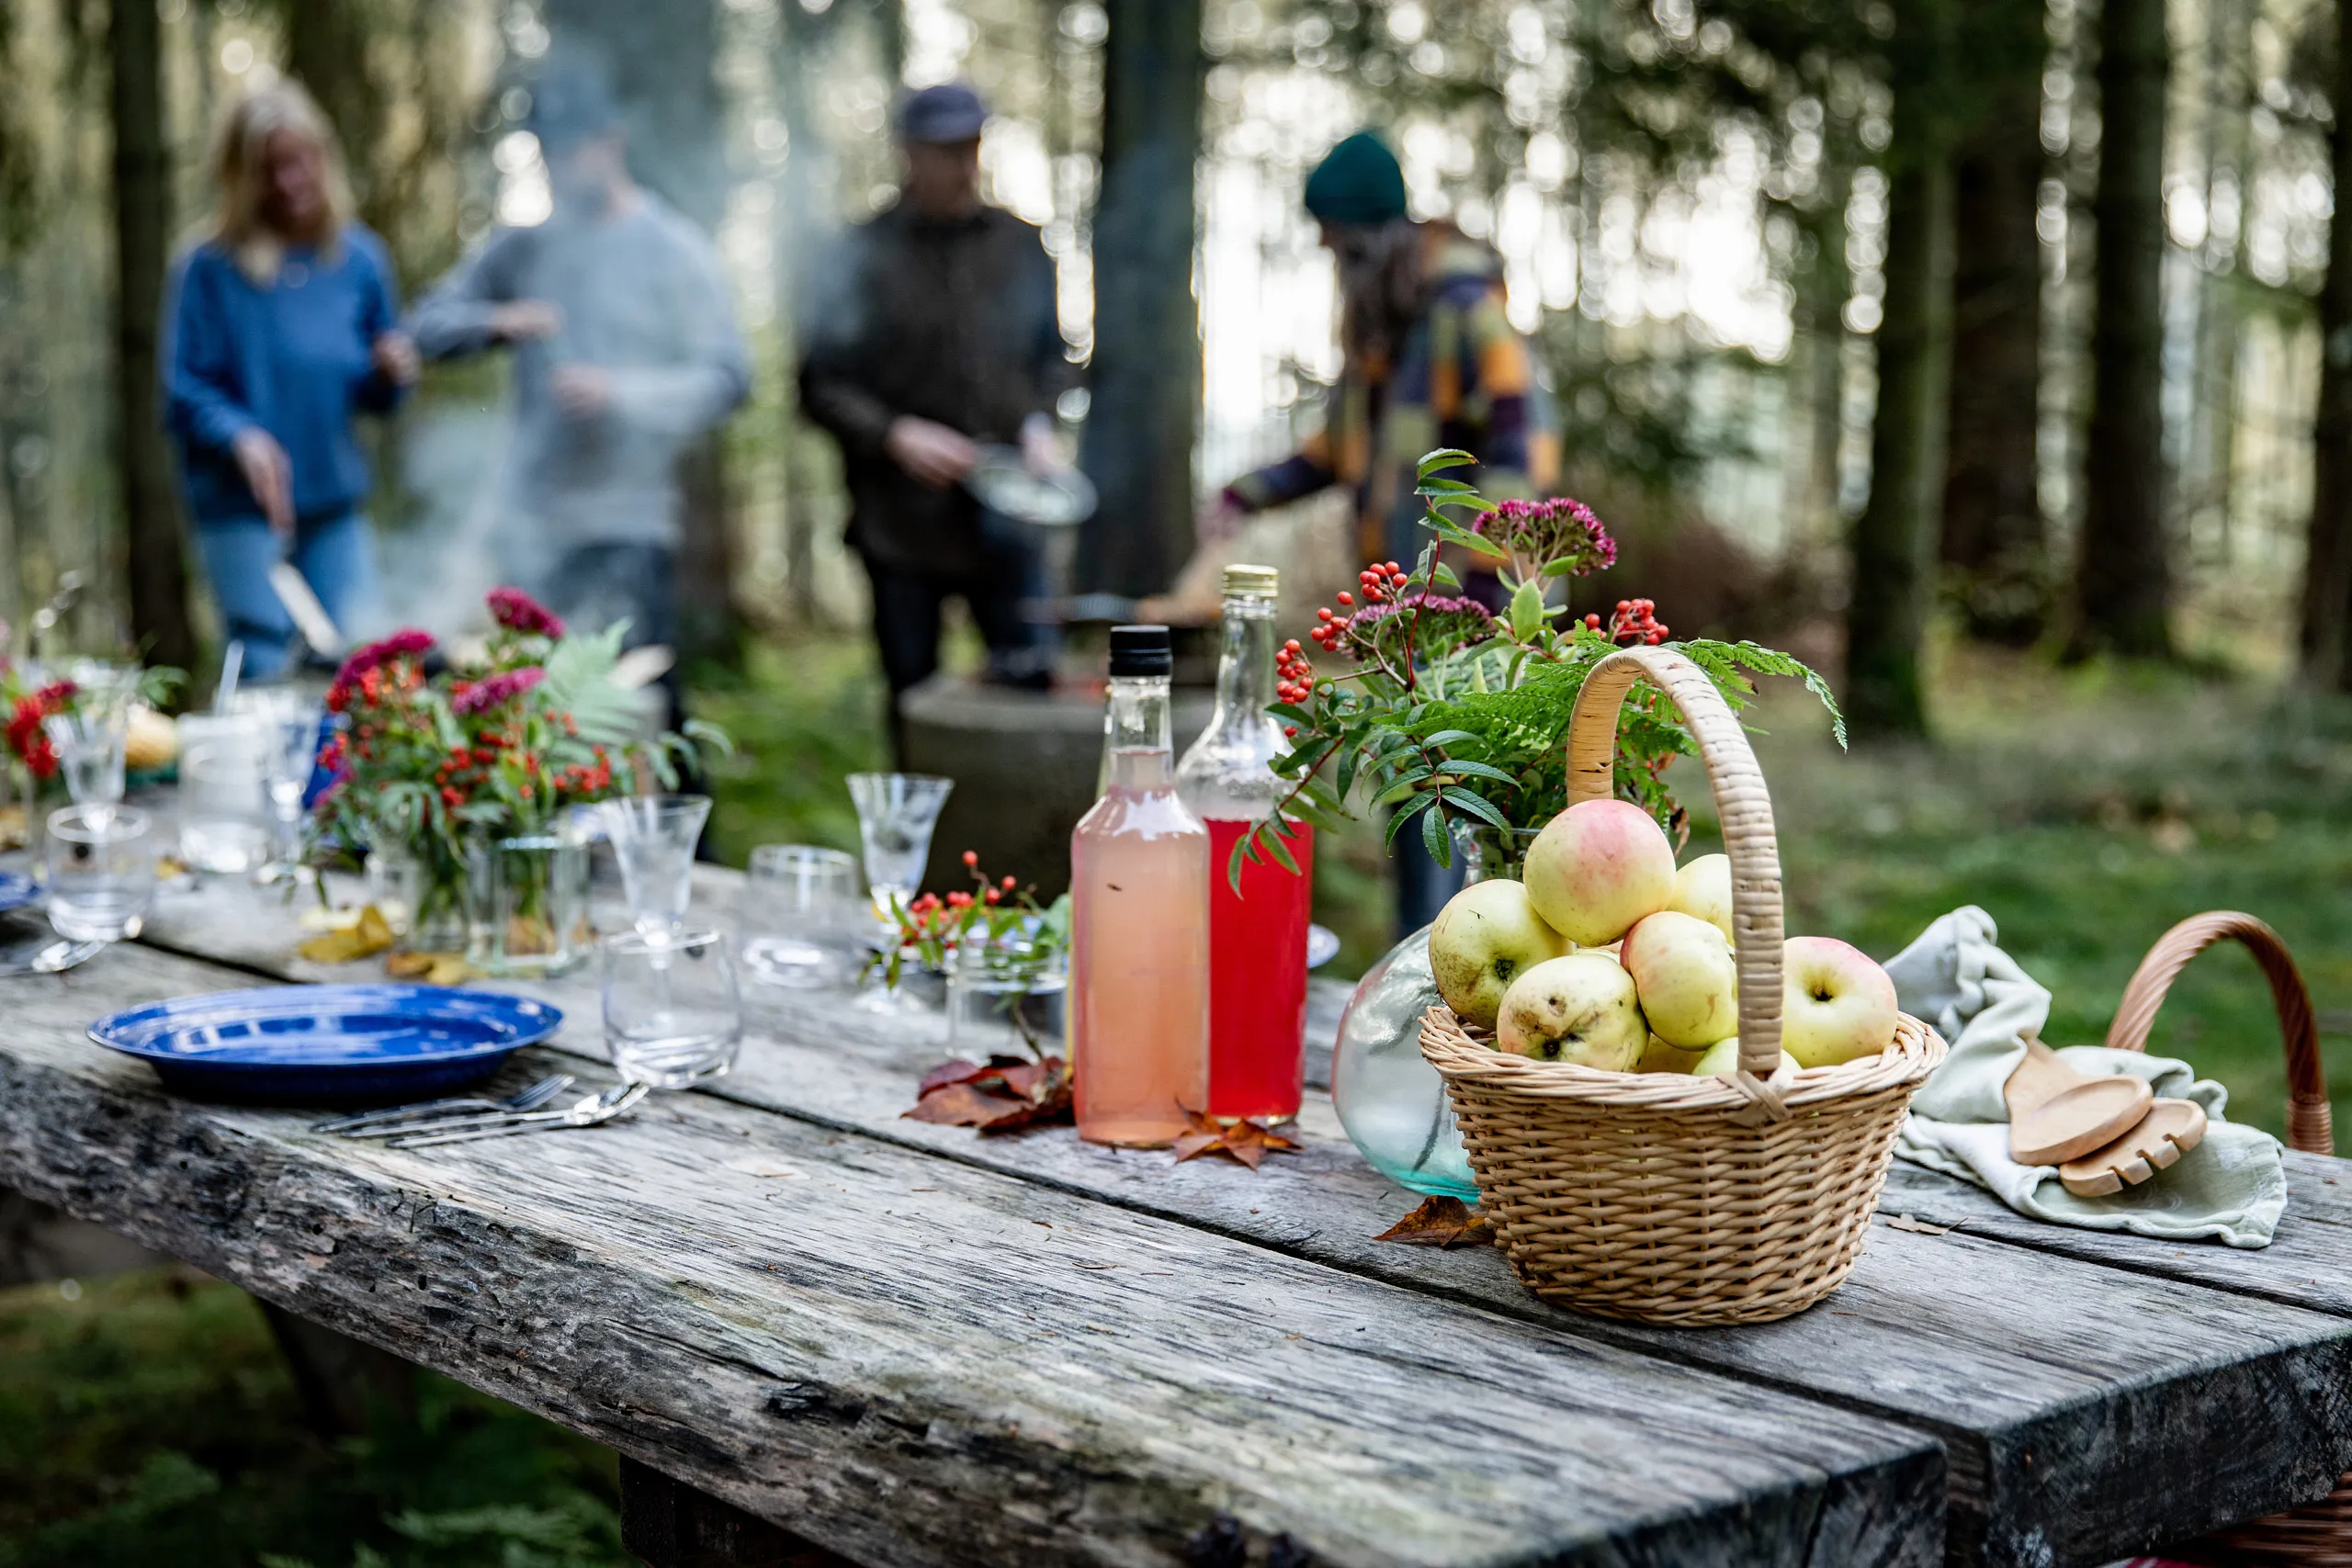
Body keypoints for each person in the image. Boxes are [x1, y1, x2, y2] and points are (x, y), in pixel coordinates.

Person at [1203, 130, 1560, 936]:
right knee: (1417, 795)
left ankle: (1462, 988)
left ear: (1373, 235)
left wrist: (1487, 596)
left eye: (1337, 241)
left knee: (1477, 806)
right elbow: (1341, 451)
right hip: (1411, 621)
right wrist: (1244, 493)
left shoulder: (1467, 310)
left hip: (1480, 612)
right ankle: (1423, 968)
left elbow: (1521, 449)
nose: (1332, 257)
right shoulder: (1385, 332)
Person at [407, 61, 750, 692]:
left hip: (628, 528)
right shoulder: (525, 247)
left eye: (567, 152)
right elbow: (426, 324)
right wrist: (499, 321)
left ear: (609, 143)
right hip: (531, 529)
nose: (555, 170)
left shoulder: (673, 249)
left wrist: (621, 393)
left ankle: (672, 798)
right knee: (532, 715)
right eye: (544, 155)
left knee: (635, 709)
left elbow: (728, 377)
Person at [797, 81, 1071, 729]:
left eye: (970, 147)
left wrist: (1039, 425)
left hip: (1010, 521)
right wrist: (895, 435)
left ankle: (1024, 828)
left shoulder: (1021, 245)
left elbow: (1054, 358)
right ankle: (921, 829)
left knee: (1031, 695)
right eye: (944, 149)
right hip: (901, 526)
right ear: (907, 152)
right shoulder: (858, 254)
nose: (960, 164)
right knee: (914, 706)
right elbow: (818, 383)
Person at [164, 82, 417, 680]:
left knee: (360, 660)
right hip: (239, 505)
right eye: (269, 168)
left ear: (323, 158)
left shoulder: (359, 261)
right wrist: (240, 437)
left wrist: (392, 373)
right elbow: (183, 388)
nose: (288, 181)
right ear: (241, 175)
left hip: (332, 501)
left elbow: (380, 393)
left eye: (299, 161)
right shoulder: (208, 268)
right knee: (266, 659)